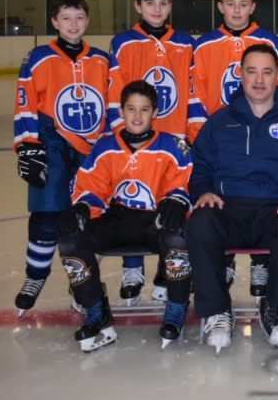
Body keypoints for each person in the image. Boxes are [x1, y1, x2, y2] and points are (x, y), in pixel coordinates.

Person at [186, 44, 278, 353]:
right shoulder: (219, 122)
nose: (259, 79)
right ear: (240, 75)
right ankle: (218, 309)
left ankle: (273, 306)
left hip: (276, 208)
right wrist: (204, 191)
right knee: (200, 222)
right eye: (252, 71)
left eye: (267, 72)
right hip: (229, 208)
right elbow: (200, 166)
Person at [56, 80, 193, 351]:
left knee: (178, 236)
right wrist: (83, 206)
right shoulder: (106, 147)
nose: (138, 116)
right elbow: (90, 184)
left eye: (144, 109)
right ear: (122, 111)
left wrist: (177, 199)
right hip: (117, 219)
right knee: (71, 240)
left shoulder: (172, 146)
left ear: (155, 112)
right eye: (131, 109)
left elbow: (183, 181)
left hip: (154, 221)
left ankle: (176, 307)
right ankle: (96, 310)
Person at [13, 0, 115, 317]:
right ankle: (35, 277)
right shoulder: (38, 58)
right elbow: (25, 101)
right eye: (66, 18)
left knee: (90, 216)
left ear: (87, 21)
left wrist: (115, 144)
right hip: (53, 143)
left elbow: (113, 105)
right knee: (46, 214)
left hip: (92, 149)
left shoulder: (102, 60)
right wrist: (28, 145)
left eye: (80, 17)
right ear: (55, 23)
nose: (74, 24)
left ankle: (80, 280)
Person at [191, 0, 278, 299]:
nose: (236, 10)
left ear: (253, 7)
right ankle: (226, 259)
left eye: (243, 4)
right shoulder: (204, 44)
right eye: (230, 4)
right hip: (224, 136)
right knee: (222, 199)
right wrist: (199, 133)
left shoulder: (269, 41)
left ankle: (262, 261)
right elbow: (197, 91)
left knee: (261, 196)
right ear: (220, 7)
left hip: (261, 128)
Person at [108, 0, 199, 305]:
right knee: (131, 201)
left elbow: (192, 91)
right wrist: (121, 136)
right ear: (138, 7)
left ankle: (165, 268)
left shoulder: (186, 43)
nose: (157, 10)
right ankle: (133, 268)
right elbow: (115, 90)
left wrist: (192, 135)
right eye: (150, 4)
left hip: (172, 141)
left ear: (170, 5)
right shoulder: (123, 43)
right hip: (134, 140)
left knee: (169, 205)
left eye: (163, 3)